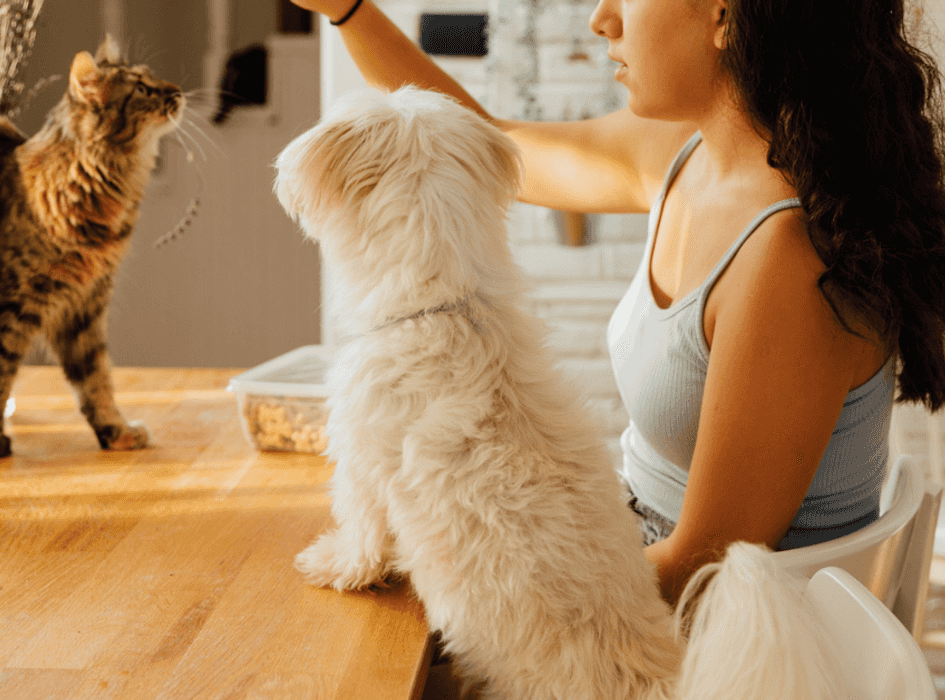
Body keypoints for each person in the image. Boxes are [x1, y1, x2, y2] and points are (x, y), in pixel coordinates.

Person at [289, 0, 945, 604]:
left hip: (711, 634)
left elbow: (701, 567)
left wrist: (475, 588)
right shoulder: (685, 155)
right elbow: (485, 137)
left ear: (723, 16)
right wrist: (350, 11)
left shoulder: (789, 262)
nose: (601, 20)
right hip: (631, 557)